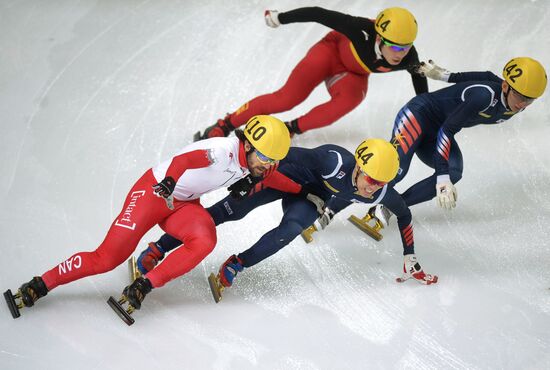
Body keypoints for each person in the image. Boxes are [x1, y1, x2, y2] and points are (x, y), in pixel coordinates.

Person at [4, 115, 293, 322]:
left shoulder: (256, 163)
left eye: (273, 161)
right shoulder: (221, 151)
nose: (267, 166)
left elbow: (276, 178)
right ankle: (41, 283)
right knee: (106, 259)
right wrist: (169, 181)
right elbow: (184, 162)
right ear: (248, 145)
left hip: (183, 204)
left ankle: (143, 286)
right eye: (266, 159)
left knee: (205, 239)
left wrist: (308, 191)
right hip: (154, 193)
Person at [137, 138, 438, 301]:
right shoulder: (332, 161)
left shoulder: (380, 193)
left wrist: (410, 254)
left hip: (311, 197)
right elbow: (283, 155)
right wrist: (249, 177)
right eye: (370, 179)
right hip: (285, 176)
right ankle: (160, 247)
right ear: (358, 166)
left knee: (292, 229)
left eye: (380, 183)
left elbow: (405, 214)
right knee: (229, 211)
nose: (371, 187)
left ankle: (237, 263)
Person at [195, 6, 428, 139]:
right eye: (396, 47)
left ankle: (290, 129)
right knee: (286, 99)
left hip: (353, 74)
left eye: (406, 46)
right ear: (379, 37)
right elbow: (318, 13)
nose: (401, 53)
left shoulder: (410, 57)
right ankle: (225, 124)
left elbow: (421, 88)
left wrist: (425, 114)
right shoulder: (359, 29)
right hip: (330, 53)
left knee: (352, 98)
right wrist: (278, 18)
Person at [364, 56, 547, 225]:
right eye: (521, 97)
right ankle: (342, 195)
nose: (522, 104)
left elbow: (487, 75)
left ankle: (388, 207)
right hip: (418, 116)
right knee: (395, 171)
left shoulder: (513, 101)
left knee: (454, 171)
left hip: (436, 131)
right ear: (506, 87)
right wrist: (441, 178)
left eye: (529, 100)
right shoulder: (483, 97)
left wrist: (444, 75)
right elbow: (447, 130)